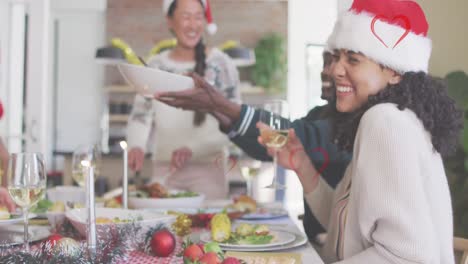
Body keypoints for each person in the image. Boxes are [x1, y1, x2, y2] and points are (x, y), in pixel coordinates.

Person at [257, 0, 462, 262]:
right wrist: (302, 163)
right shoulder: (390, 118)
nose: (335, 69)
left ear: (394, 72)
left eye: (353, 59)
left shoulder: (385, 121)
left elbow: (408, 257)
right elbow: (346, 219)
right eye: (337, 57)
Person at [157, 53, 351, 244]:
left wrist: (218, 102)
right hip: (317, 239)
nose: (327, 71)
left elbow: (294, 135)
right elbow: (268, 148)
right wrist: (213, 109)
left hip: (335, 243)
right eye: (326, 63)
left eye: (334, 62)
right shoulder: (319, 113)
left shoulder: (354, 120)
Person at [126, 0, 241, 199]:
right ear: (170, 21)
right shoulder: (156, 65)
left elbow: (233, 121)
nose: (193, 24)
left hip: (208, 173)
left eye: (198, 17)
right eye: (186, 17)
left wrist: (192, 149)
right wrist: (136, 145)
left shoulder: (221, 65)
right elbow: (140, 115)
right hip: (164, 172)